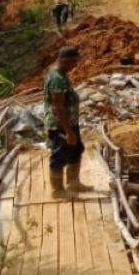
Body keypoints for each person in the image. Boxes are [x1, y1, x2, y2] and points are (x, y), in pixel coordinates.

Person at [44, 45, 90, 198]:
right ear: (64, 61)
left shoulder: (60, 73)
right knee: (59, 154)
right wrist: (68, 132)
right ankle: (58, 191)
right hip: (61, 125)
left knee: (76, 149)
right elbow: (58, 107)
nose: (75, 66)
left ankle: (73, 182)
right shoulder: (57, 79)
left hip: (69, 122)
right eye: (73, 62)